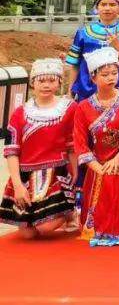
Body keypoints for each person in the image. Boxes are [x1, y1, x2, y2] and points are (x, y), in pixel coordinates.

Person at [72, 47, 119, 246]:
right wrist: (98, 167)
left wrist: (118, 158)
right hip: (98, 163)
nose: (111, 78)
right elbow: (80, 143)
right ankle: (102, 227)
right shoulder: (83, 107)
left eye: (114, 73)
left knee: (114, 174)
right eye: (105, 75)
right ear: (93, 78)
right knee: (107, 175)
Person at [0, 58, 77, 237]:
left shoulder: (69, 108)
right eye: (41, 80)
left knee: (45, 228)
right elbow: (11, 151)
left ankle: (69, 212)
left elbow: (72, 145)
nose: (46, 85)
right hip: (27, 175)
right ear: (32, 83)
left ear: (59, 82)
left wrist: (75, 173)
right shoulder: (20, 113)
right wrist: (18, 185)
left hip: (56, 173)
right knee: (28, 234)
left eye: (51, 80)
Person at [66, 0, 119, 101]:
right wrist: (70, 91)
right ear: (97, 8)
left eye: (112, 4)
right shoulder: (83, 33)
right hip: (85, 92)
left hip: (116, 92)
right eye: (103, 4)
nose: (107, 8)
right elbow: (75, 64)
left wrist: (118, 47)